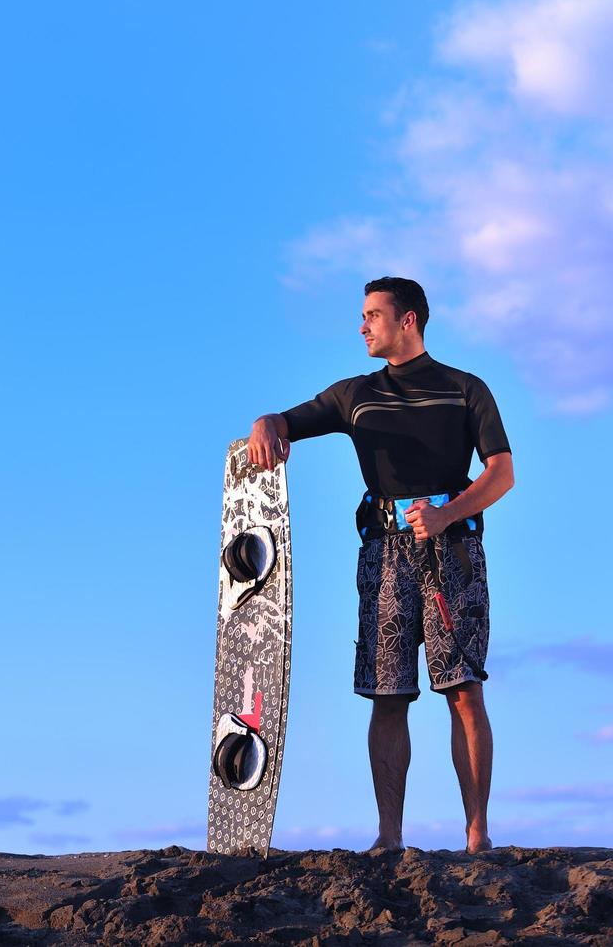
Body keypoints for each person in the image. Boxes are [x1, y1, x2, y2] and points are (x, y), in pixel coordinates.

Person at [247, 277, 513, 855]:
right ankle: (389, 837)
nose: (363, 326)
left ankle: (477, 835)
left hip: (454, 555)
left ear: (409, 320)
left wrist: (448, 516)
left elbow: (501, 473)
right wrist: (267, 423)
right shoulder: (354, 394)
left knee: (464, 691)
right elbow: (287, 421)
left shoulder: (466, 389)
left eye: (373, 314)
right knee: (387, 694)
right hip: (385, 557)